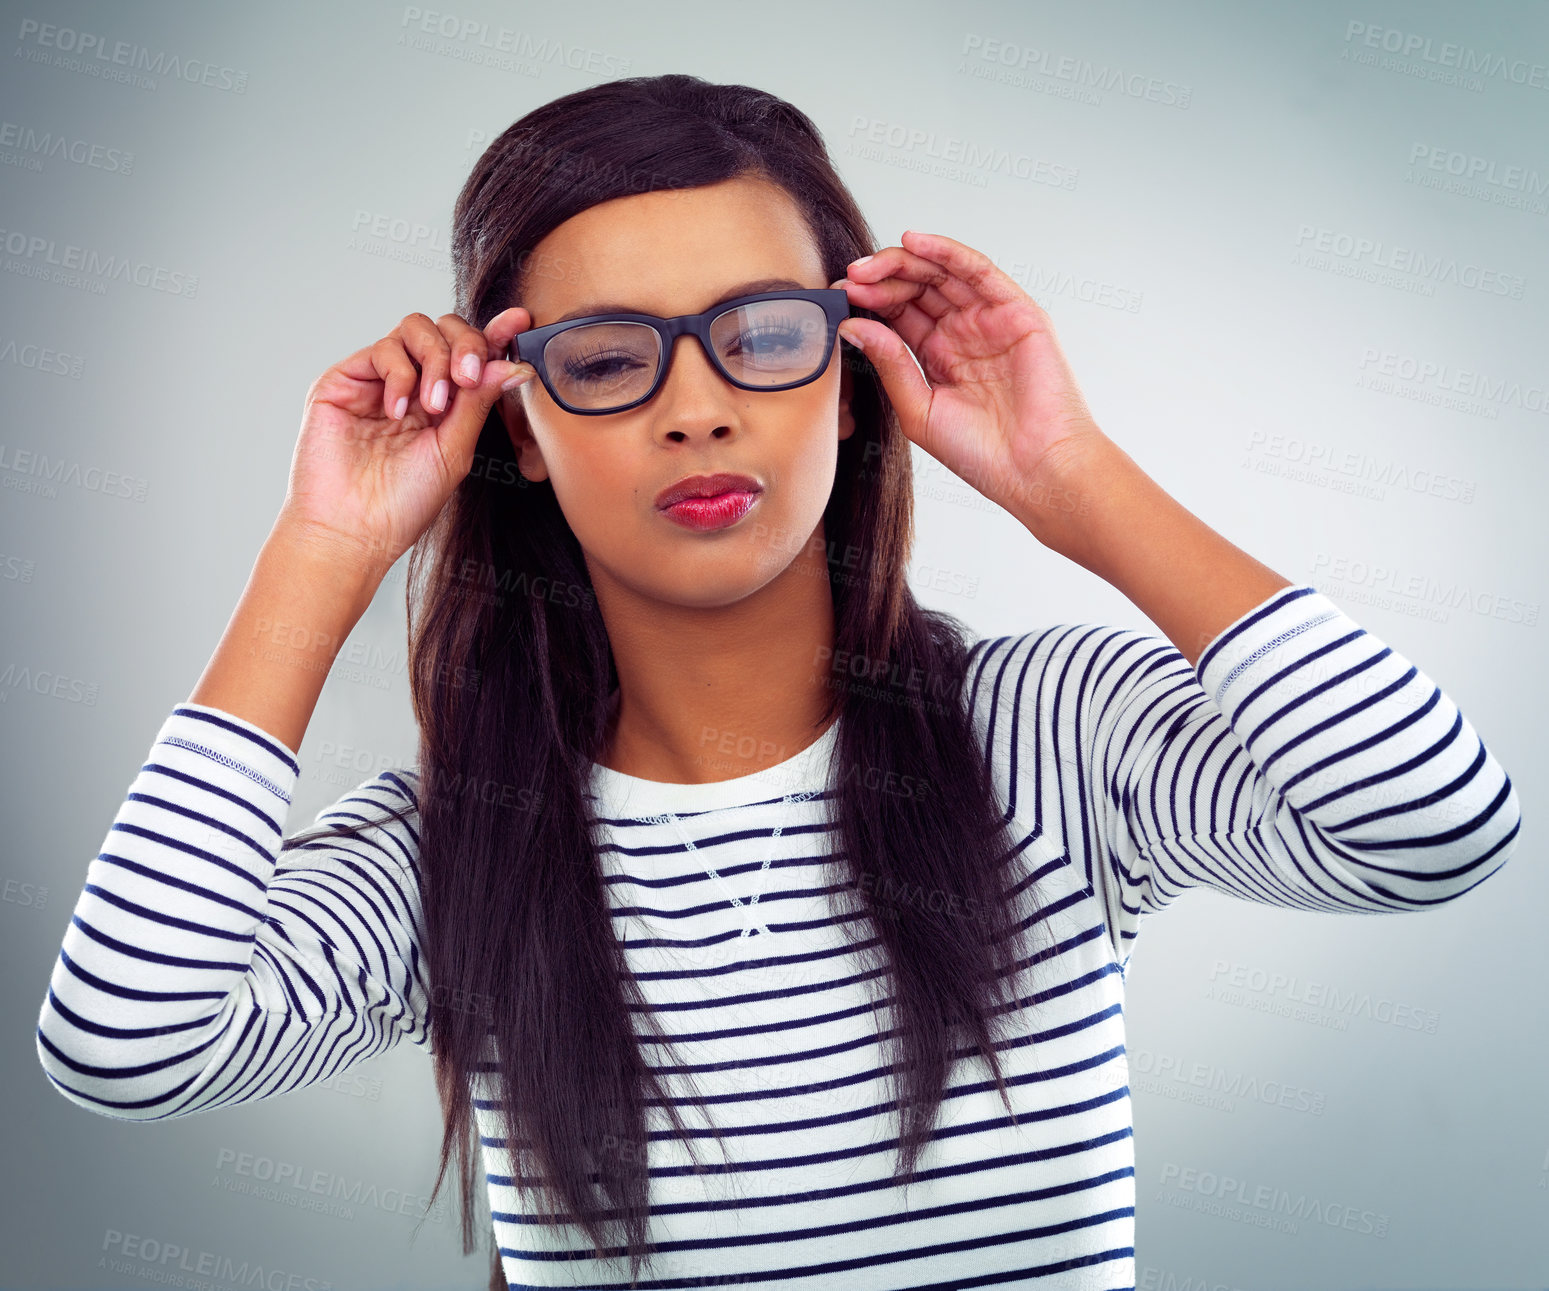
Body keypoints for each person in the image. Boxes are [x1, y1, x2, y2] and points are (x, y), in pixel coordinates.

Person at [35, 74, 1520, 1291]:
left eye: (759, 338)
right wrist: (324, 548)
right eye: (609, 357)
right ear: (523, 429)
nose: (695, 411)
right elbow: (123, 1046)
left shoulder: (1047, 735)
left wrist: (1068, 476)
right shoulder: (455, 845)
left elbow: (1434, 828)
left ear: (849, 368)